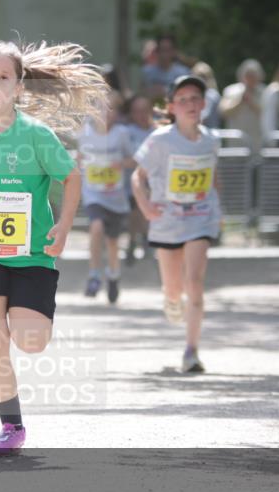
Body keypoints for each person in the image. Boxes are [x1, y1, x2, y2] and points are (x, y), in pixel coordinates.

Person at [0, 40, 105, 456]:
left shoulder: (37, 136)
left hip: (32, 254)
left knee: (29, 340)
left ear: (19, 86)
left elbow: (72, 177)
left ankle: (14, 327)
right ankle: (11, 426)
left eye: (4, 77)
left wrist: (63, 226)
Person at [132, 75, 221, 374]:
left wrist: (219, 209)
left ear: (204, 104)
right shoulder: (160, 140)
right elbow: (137, 177)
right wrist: (145, 205)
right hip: (167, 221)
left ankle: (191, 351)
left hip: (200, 218)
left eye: (195, 98)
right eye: (183, 100)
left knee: (194, 283)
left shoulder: (211, 139)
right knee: (174, 290)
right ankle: (172, 300)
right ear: (172, 107)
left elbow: (212, 177)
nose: (190, 104)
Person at [79, 90, 132, 303]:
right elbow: (78, 157)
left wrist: (120, 163)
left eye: (112, 110)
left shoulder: (121, 133)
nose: (106, 114)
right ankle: (94, 275)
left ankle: (113, 276)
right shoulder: (85, 132)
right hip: (93, 193)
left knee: (112, 241)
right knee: (96, 227)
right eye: (101, 108)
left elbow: (133, 159)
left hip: (116, 196)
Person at [122, 93, 156, 264]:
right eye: (137, 111)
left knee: (144, 208)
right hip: (131, 183)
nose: (141, 115)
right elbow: (126, 159)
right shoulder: (127, 132)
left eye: (144, 110)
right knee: (134, 212)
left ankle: (145, 239)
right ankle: (133, 241)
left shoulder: (157, 132)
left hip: (154, 183)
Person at [219, 58, 265, 158]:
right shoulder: (230, 91)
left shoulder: (265, 92)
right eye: (248, 75)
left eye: (253, 75)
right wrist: (240, 102)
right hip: (235, 145)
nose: (250, 78)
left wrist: (251, 103)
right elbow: (224, 112)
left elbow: (267, 115)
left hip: (256, 145)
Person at [141, 35, 189, 99]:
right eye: (162, 50)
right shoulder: (147, 72)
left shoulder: (183, 73)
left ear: (174, 51)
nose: (165, 54)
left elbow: (187, 94)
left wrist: (165, 91)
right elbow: (141, 93)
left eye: (168, 50)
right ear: (157, 51)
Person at [192, 62, 221, 129]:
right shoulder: (192, 95)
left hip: (209, 134)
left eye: (203, 76)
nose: (200, 79)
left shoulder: (212, 95)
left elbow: (203, 117)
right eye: (198, 76)